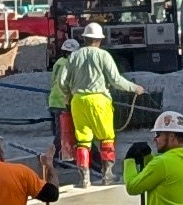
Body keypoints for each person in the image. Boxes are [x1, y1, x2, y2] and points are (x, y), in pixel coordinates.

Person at [51, 18, 136, 187]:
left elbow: (61, 80)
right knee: (106, 138)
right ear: (99, 40)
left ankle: (84, 178)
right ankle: (107, 175)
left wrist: (68, 93)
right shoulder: (103, 55)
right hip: (99, 101)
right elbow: (116, 80)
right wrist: (135, 88)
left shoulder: (74, 56)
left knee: (83, 140)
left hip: (78, 101)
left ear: (84, 38)